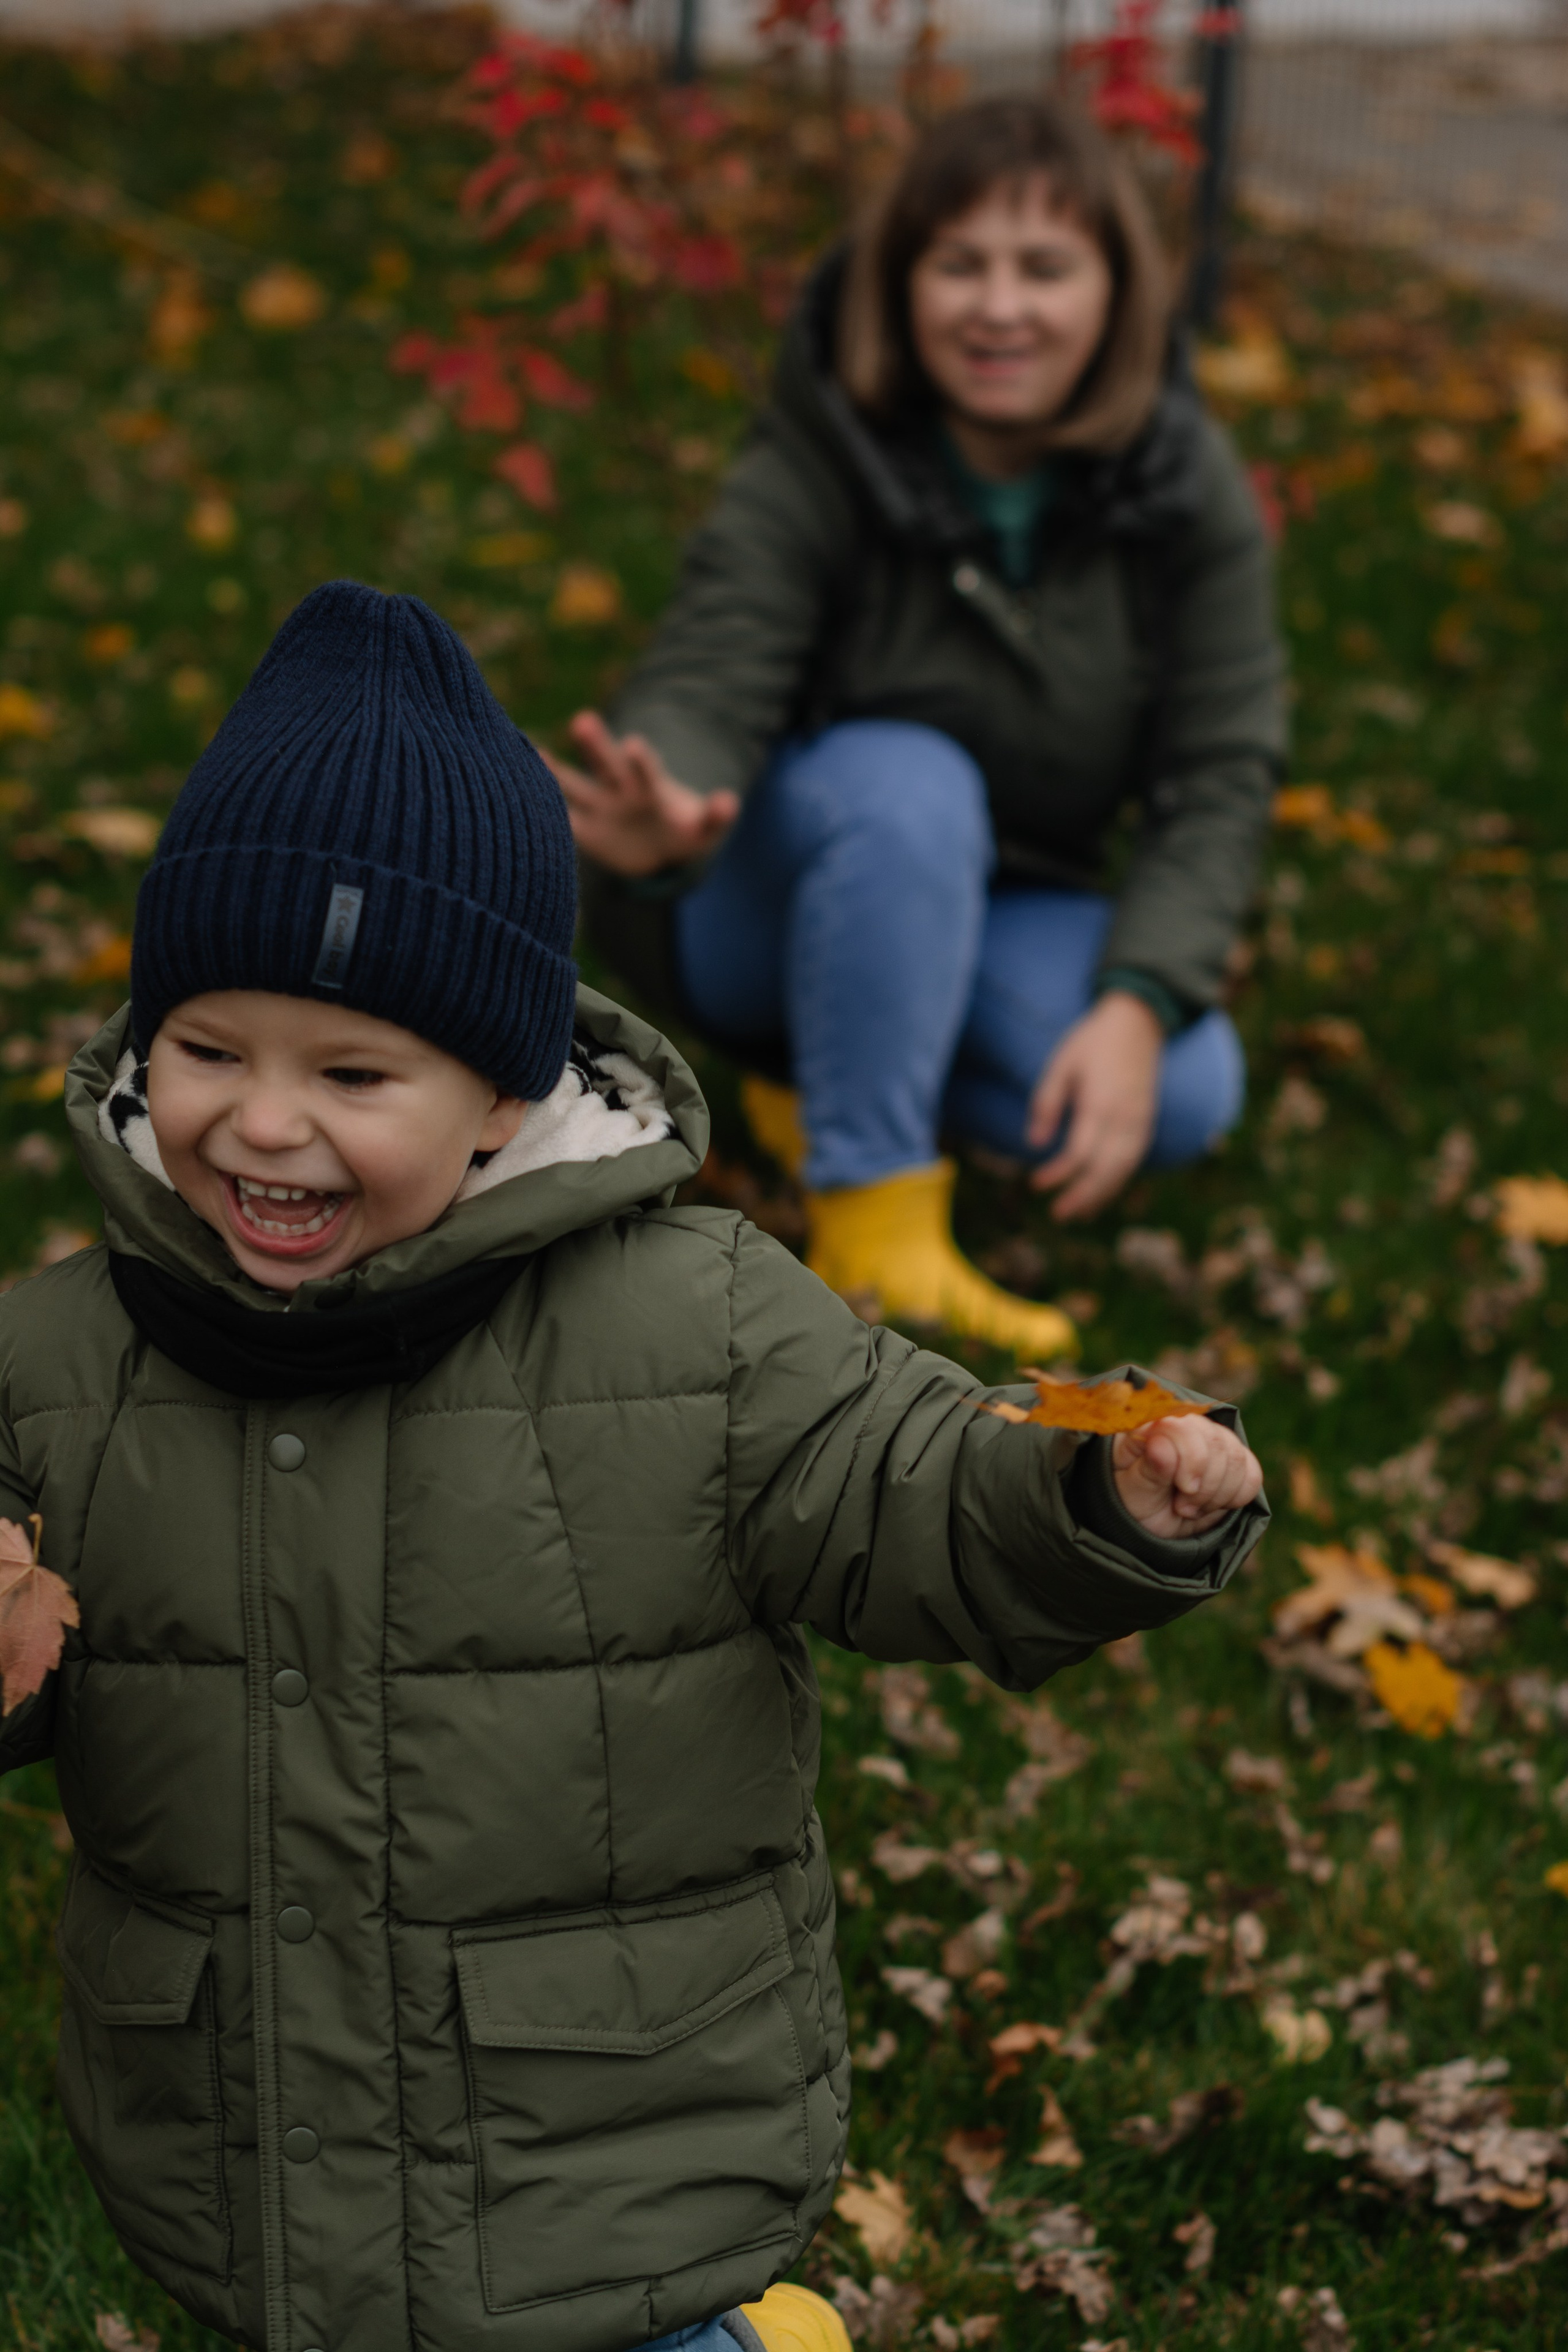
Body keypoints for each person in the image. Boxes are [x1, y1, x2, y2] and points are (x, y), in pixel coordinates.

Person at [0, 584, 1266, 2352]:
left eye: (353, 1072)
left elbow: (900, 1481)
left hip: (601, 2146)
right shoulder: (60, 1359)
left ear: (504, 1099)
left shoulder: (701, 1326)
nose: (264, 1121)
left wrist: (1091, 1500)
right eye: (207, 1051)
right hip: (247, 2137)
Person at [557, 97, 1286, 1362]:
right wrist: (669, 798)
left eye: (1042, 268)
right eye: (959, 265)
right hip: (766, 898)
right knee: (907, 781)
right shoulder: (821, 455)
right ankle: (872, 1215)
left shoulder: (1179, 485)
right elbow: (713, 659)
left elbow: (1219, 771)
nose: (997, 308)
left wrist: (1135, 1002)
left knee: (1184, 1087)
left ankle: (823, 1082)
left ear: (1113, 293)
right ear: (901, 285)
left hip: (1003, 898)